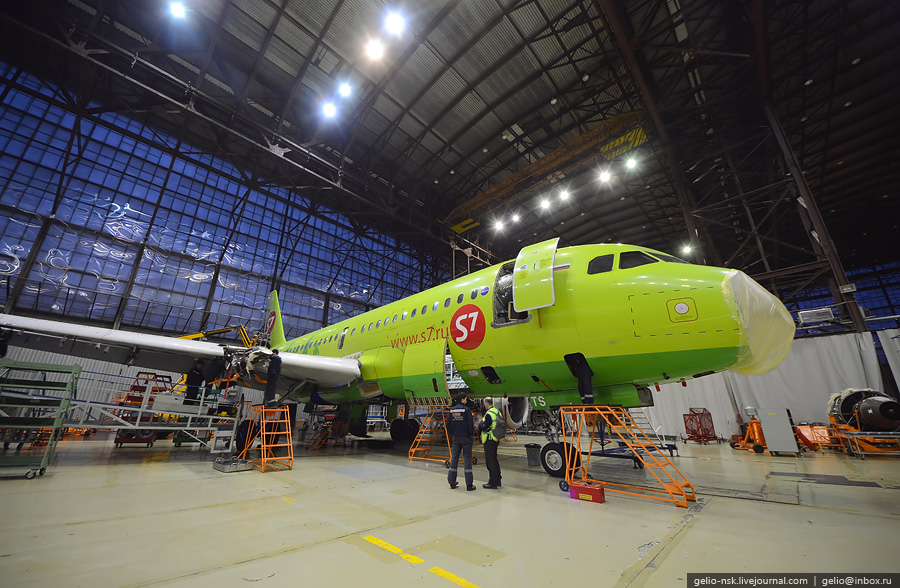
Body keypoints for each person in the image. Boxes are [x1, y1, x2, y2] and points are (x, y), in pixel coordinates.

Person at [445, 392, 476, 491]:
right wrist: (471, 435)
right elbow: (470, 424)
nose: (466, 401)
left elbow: (447, 423)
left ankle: (452, 482)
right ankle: (469, 484)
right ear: (462, 399)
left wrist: (452, 433)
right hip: (466, 438)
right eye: (466, 399)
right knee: (467, 459)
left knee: (454, 458)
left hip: (456, 438)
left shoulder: (452, 410)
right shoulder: (466, 410)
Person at [479, 397, 502, 489]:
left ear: (486, 403)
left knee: (490, 462)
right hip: (496, 439)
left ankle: (492, 483)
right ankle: (498, 480)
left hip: (489, 439)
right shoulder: (497, 412)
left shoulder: (489, 414)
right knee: (494, 460)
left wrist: (480, 424)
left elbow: (484, 427)